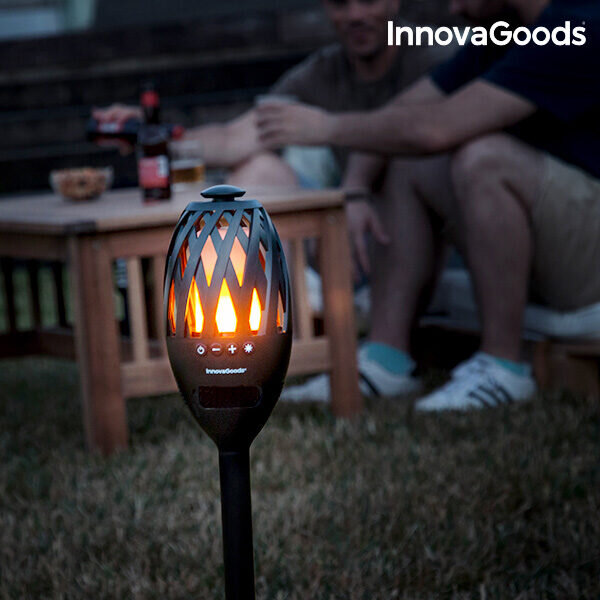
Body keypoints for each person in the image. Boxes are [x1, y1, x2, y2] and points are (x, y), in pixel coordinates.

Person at [256, 0, 600, 410]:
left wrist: (327, 126)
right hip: (565, 249)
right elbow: (406, 113)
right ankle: (387, 358)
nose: (453, 8)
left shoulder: (577, 28)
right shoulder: (504, 35)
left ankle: (503, 366)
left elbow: (435, 128)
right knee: (408, 158)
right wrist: (355, 188)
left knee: (484, 158)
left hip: (592, 271)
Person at [93, 0, 450, 190]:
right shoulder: (320, 73)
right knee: (259, 168)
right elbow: (233, 139)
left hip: (424, 215)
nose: (355, 14)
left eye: (368, 0)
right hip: (349, 221)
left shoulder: (433, 56)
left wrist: (334, 138)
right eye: (341, 2)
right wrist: (151, 133)